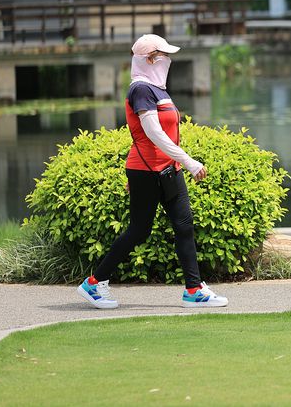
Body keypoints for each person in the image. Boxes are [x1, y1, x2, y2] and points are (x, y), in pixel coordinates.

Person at [77, 34, 228, 308]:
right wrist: (190, 161)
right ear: (149, 59)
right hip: (147, 171)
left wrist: (180, 162)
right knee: (138, 231)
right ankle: (94, 283)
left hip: (169, 169)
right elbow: (153, 132)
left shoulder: (158, 89)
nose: (168, 60)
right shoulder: (141, 89)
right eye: (163, 55)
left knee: (184, 226)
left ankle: (193, 290)